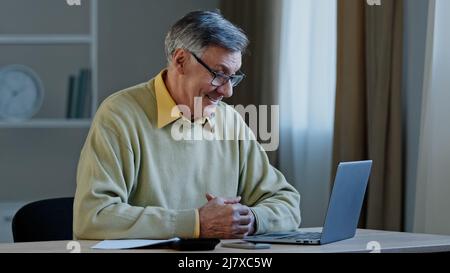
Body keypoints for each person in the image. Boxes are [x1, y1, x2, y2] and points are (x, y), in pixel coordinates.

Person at [73, 10, 300, 240]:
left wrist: (250, 219)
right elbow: (94, 216)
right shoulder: (119, 115)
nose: (227, 91)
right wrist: (195, 223)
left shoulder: (230, 120)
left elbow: (287, 204)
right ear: (181, 61)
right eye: (219, 74)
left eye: (233, 77)